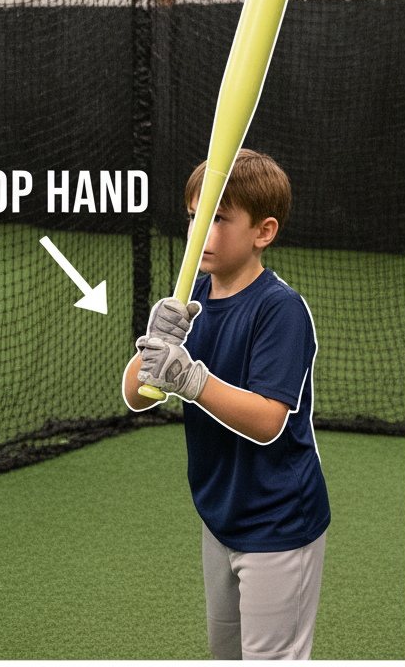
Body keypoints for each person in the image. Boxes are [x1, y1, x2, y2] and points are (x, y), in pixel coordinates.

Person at [122, 149, 330, 660]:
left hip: (278, 520)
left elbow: (267, 421)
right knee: (226, 655)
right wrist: (155, 343)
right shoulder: (191, 298)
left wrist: (192, 381)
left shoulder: (280, 310)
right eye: (194, 217)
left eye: (217, 219)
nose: (200, 232)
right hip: (219, 512)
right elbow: (135, 396)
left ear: (264, 231)